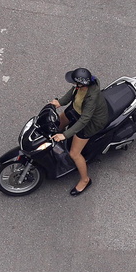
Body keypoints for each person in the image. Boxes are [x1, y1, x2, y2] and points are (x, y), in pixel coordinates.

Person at [49, 67, 109, 196]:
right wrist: (59, 102)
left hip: (91, 122)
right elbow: (71, 93)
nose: (73, 84)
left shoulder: (91, 97)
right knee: (58, 123)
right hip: (77, 109)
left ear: (82, 83)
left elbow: (84, 120)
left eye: (75, 82)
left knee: (74, 154)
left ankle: (85, 180)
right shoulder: (80, 86)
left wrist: (64, 135)